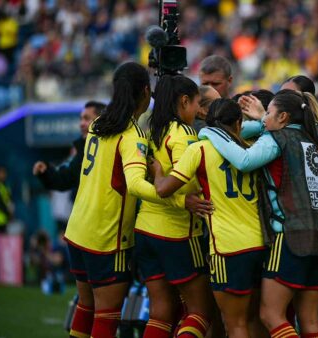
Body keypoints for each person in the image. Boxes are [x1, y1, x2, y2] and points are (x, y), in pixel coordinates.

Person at [198, 90, 318, 338]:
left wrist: (210, 132)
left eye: (269, 113)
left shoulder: (277, 138)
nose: (265, 119)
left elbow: (244, 160)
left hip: (291, 236)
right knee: (309, 320)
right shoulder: (310, 140)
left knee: (270, 315)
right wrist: (261, 119)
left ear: (283, 117)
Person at [63, 62, 190, 338]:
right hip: (107, 238)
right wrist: (169, 192)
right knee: (106, 317)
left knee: (85, 307)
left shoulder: (99, 123)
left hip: (77, 230)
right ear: (145, 92)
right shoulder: (132, 136)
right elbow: (133, 185)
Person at [153, 99, 266, 338]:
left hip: (228, 248)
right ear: (239, 123)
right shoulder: (251, 146)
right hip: (260, 243)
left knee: (235, 325)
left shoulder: (199, 149)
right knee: (255, 320)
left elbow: (164, 190)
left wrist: (157, 172)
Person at [134, 74, 215, 338]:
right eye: (196, 104)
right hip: (178, 234)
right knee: (201, 312)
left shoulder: (151, 132)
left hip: (145, 231)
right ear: (183, 101)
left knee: (161, 312)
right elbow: (185, 180)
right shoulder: (184, 134)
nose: (199, 110)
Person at [33, 101, 106, 192]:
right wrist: (46, 172)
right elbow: (64, 179)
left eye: (86, 119)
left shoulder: (112, 149)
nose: (81, 124)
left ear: (101, 121)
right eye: (81, 119)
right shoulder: (82, 151)